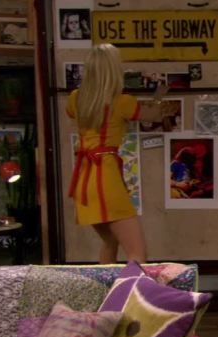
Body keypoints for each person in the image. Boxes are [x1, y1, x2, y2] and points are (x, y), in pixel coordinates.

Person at [66, 43, 165, 263]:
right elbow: (154, 115)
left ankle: (108, 286)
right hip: (106, 179)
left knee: (110, 243)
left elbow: (73, 112)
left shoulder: (75, 98)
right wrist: (159, 97)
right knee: (137, 254)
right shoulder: (122, 102)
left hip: (84, 180)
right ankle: (129, 288)